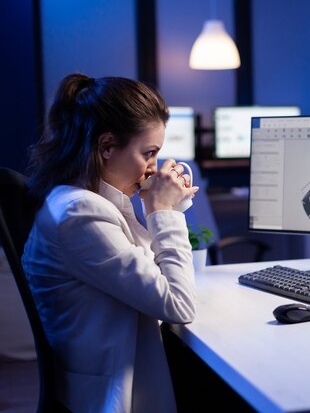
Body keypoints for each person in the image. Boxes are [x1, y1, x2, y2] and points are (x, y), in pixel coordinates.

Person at [21, 73, 198, 412]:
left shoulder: (91, 202)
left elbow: (146, 270)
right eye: (149, 153)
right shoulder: (80, 214)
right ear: (105, 147)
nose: (152, 167)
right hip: (112, 396)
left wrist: (165, 205)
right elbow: (178, 303)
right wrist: (162, 209)